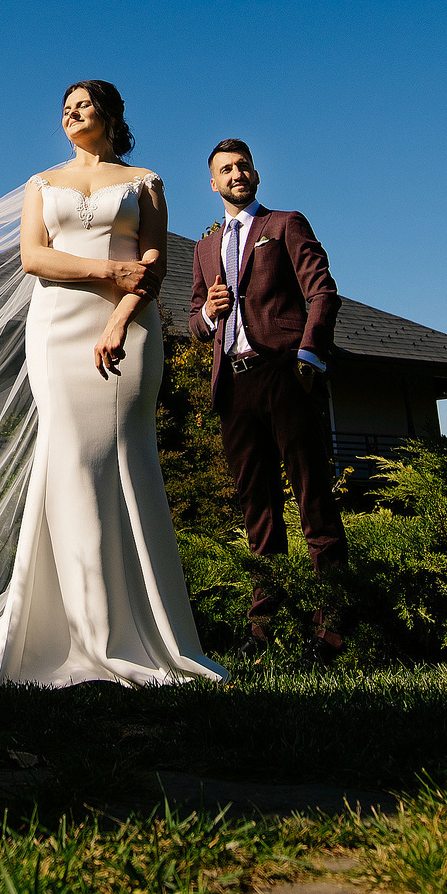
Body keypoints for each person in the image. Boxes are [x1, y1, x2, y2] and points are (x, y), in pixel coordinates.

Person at [0, 80, 227, 688]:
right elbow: (33, 258)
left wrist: (121, 316)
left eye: (84, 104)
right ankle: (72, 630)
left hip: (129, 326)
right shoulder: (40, 185)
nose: (71, 112)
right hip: (56, 329)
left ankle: (141, 634)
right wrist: (104, 269)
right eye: (65, 107)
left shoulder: (145, 180)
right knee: (68, 461)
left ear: (111, 114)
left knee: (127, 460)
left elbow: (155, 264)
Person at [190, 137, 347, 660]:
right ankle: (264, 632)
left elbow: (322, 291)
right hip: (233, 386)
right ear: (212, 183)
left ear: (255, 174)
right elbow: (194, 321)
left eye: (242, 166)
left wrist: (308, 356)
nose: (235, 174)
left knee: (313, 502)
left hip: (285, 374)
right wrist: (210, 313)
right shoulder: (204, 246)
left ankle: (332, 630)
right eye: (225, 170)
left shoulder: (284, 225)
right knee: (258, 511)